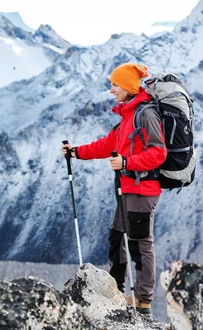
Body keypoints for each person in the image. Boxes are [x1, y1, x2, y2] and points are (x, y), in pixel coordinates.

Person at [62, 62, 166, 315]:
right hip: (126, 189)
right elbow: (106, 144)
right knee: (116, 237)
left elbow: (159, 153)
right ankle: (116, 291)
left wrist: (128, 162)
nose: (111, 90)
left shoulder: (146, 114)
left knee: (140, 245)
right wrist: (76, 152)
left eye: (115, 85)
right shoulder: (128, 116)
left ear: (129, 86)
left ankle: (142, 301)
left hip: (143, 190)